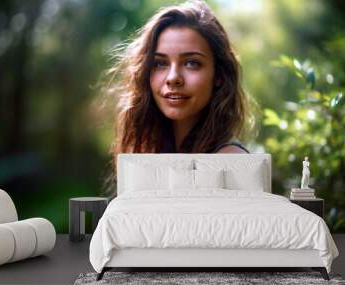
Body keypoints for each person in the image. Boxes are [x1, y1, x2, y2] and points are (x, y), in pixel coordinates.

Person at [101, 1, 254, 196]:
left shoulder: (232, 161)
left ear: (218, 75)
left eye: (192, 63)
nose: (173, 77)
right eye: (159, 63)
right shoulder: (144, 154)